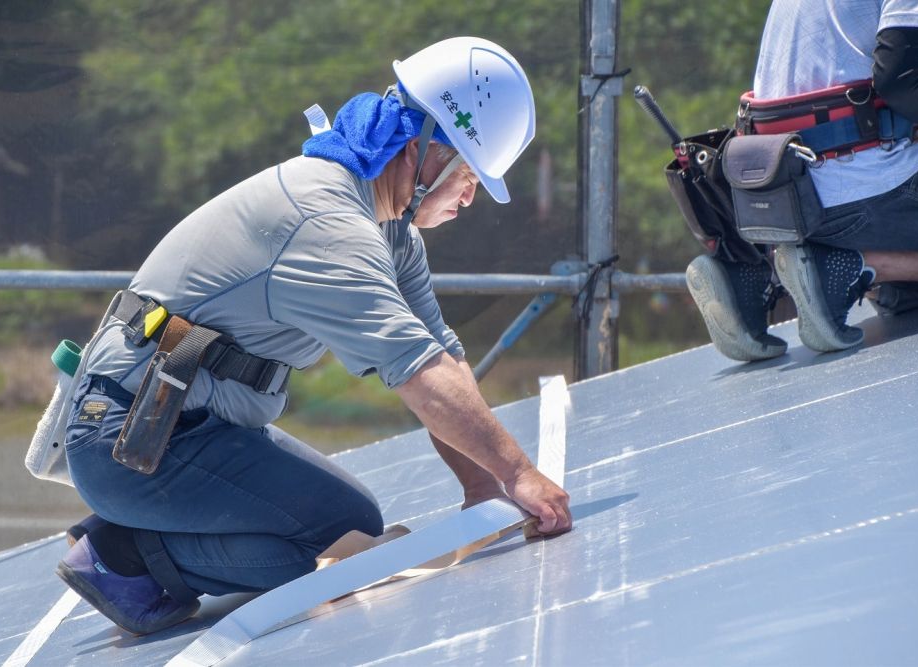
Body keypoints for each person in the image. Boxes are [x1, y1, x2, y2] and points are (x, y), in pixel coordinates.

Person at [55, 36, 572, 636]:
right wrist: (520, 475)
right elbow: (419, 376)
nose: (470, 196)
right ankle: (124, 554)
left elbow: (441, 357)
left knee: (355, 522)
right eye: (467, 174)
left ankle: (143, 528)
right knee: (323, 554)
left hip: (183, 427)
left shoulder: (391, 229)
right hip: (130, 441)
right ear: (423, 151)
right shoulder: (328, 227)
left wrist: (484, 486)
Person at [686, 0, 918, 362]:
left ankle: (755, 279)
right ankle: (852, 267)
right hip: (863, 193)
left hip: (782, 197)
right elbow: (903, 80)